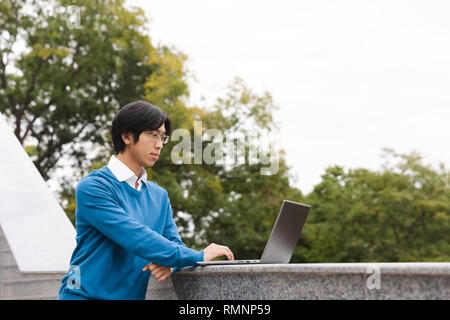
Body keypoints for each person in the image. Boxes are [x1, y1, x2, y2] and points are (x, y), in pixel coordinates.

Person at [58, 100, 234, 300]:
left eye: (163, 137)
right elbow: (136, 237)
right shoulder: (94, 187)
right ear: (126, 136)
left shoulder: (159, 196)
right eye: (152, 135)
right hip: (82, 296)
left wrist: (172, 264)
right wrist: (198, 256)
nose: (159, 144)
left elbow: (173, 243)